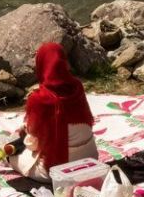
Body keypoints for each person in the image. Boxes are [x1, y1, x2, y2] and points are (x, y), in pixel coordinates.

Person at [8, 42, 98, 182]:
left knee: (13, 155)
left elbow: (33, 144)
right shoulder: (77, 87)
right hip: (91, 161)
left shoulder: (39, 99)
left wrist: (26, 133)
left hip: (58, 171)